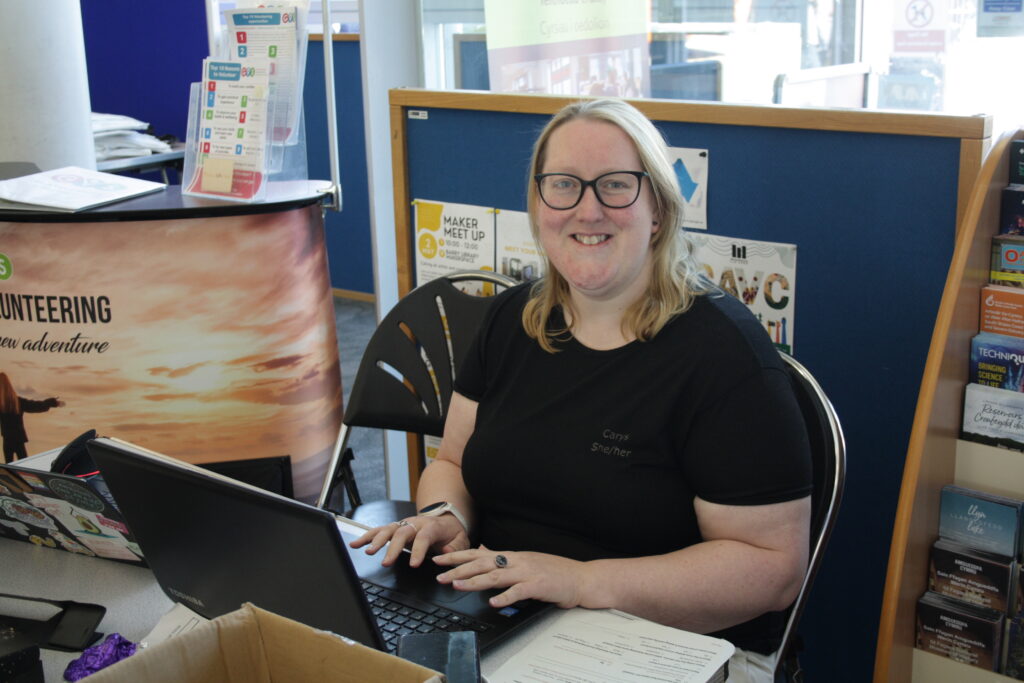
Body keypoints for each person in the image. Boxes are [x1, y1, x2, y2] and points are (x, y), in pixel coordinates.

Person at [352, 98, 812, 682]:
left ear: (660, 210)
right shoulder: (511, 319)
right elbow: (453, 460)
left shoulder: (724, 357)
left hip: (664, 642)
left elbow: (771, 570)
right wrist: (447, 515)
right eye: (563, 185)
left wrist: (579, 580)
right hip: (510, 612)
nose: (587, 210)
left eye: (616, 186)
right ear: (539, 204)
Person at [0, 372, 64, 463]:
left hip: (7, 439)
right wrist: (52, 402)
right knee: (24, 466)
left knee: (9, 468)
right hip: (19, 439)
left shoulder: (3, 404)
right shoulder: (18, 402)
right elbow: (36, 406)